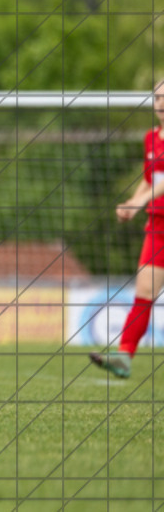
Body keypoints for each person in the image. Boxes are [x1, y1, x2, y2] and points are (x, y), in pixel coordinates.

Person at [90, 80, 164, 379]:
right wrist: (132, 203)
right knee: (144, 292)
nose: (161, 102)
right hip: (158, 226)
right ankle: (124, 357)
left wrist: (141, 201)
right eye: (158, 97)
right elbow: (150, 179)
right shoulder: (151, 139)